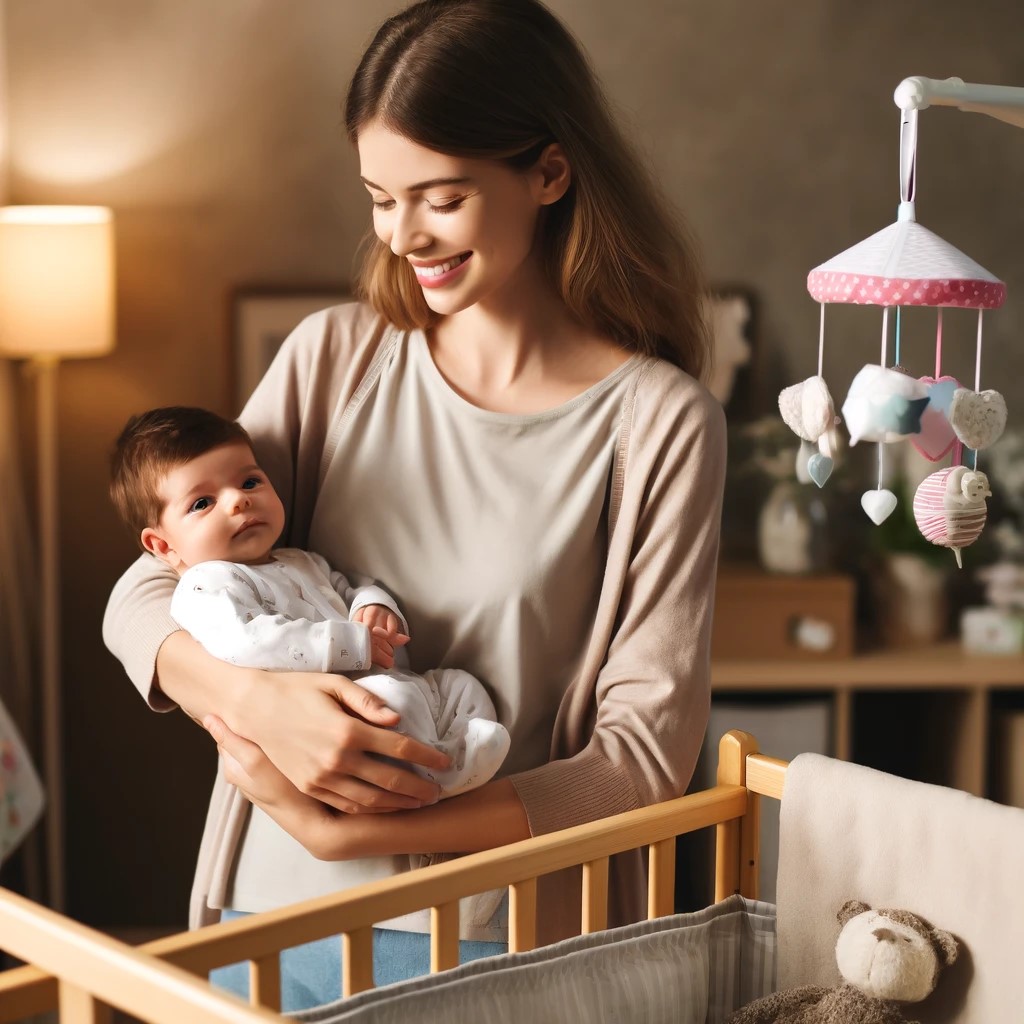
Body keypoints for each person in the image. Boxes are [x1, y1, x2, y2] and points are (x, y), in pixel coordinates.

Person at [103, 0, 726, 1007]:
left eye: (440, 197)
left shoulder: (659, 425)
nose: (404, 237)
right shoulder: (333, 360)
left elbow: (642, 757)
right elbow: (144, 589)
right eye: (381, 199)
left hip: (507, 945)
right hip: (269, 918)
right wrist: (255, 701)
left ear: (549, 174)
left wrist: (362, 828)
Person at [108, 404, 511, 804]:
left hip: (392, 679)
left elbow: (350, 588)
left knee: (459, 684)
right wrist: (351, 643)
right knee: (396, 704)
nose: (237, 501)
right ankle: (434, 771)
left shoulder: (300, 560)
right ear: (162, 545)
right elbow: (251, 642)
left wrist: (373, 608)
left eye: (249, 482)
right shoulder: (204, 586)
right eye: (202, 503)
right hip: (336, 707)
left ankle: (458, 751)